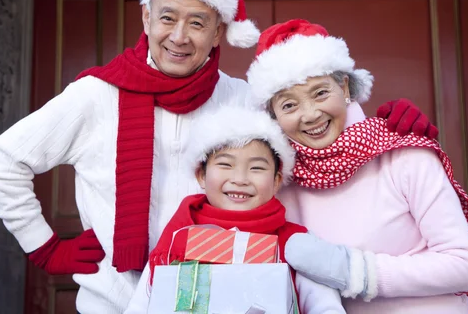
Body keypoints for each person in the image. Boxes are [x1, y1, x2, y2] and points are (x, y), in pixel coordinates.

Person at [0, 0, 435, 313]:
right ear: (146, 18)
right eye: (168, 18)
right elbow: (0, 162)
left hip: (226, 297)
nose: (179, 36)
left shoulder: (240, 98)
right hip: (114, 301)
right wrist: (45, 248)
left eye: (198, 23)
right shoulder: (97, 95)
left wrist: (383, 127)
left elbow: (311, 134)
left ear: (218, 33)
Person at [246, 18, 468, 313]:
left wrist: (356, 272)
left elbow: (466, 264)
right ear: (273, 115)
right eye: (289, 105)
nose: (311, 115)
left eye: (320, 93)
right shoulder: (279, 181)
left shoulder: (404, 154)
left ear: (344, 86)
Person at [125, 107, 346, 314]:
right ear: (201, 175)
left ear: (277, 180)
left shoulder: (295, 242)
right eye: (225, 165)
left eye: (256, 168)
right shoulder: (176, 238)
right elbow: (141, 305)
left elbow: (326, 307)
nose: (240, 179)